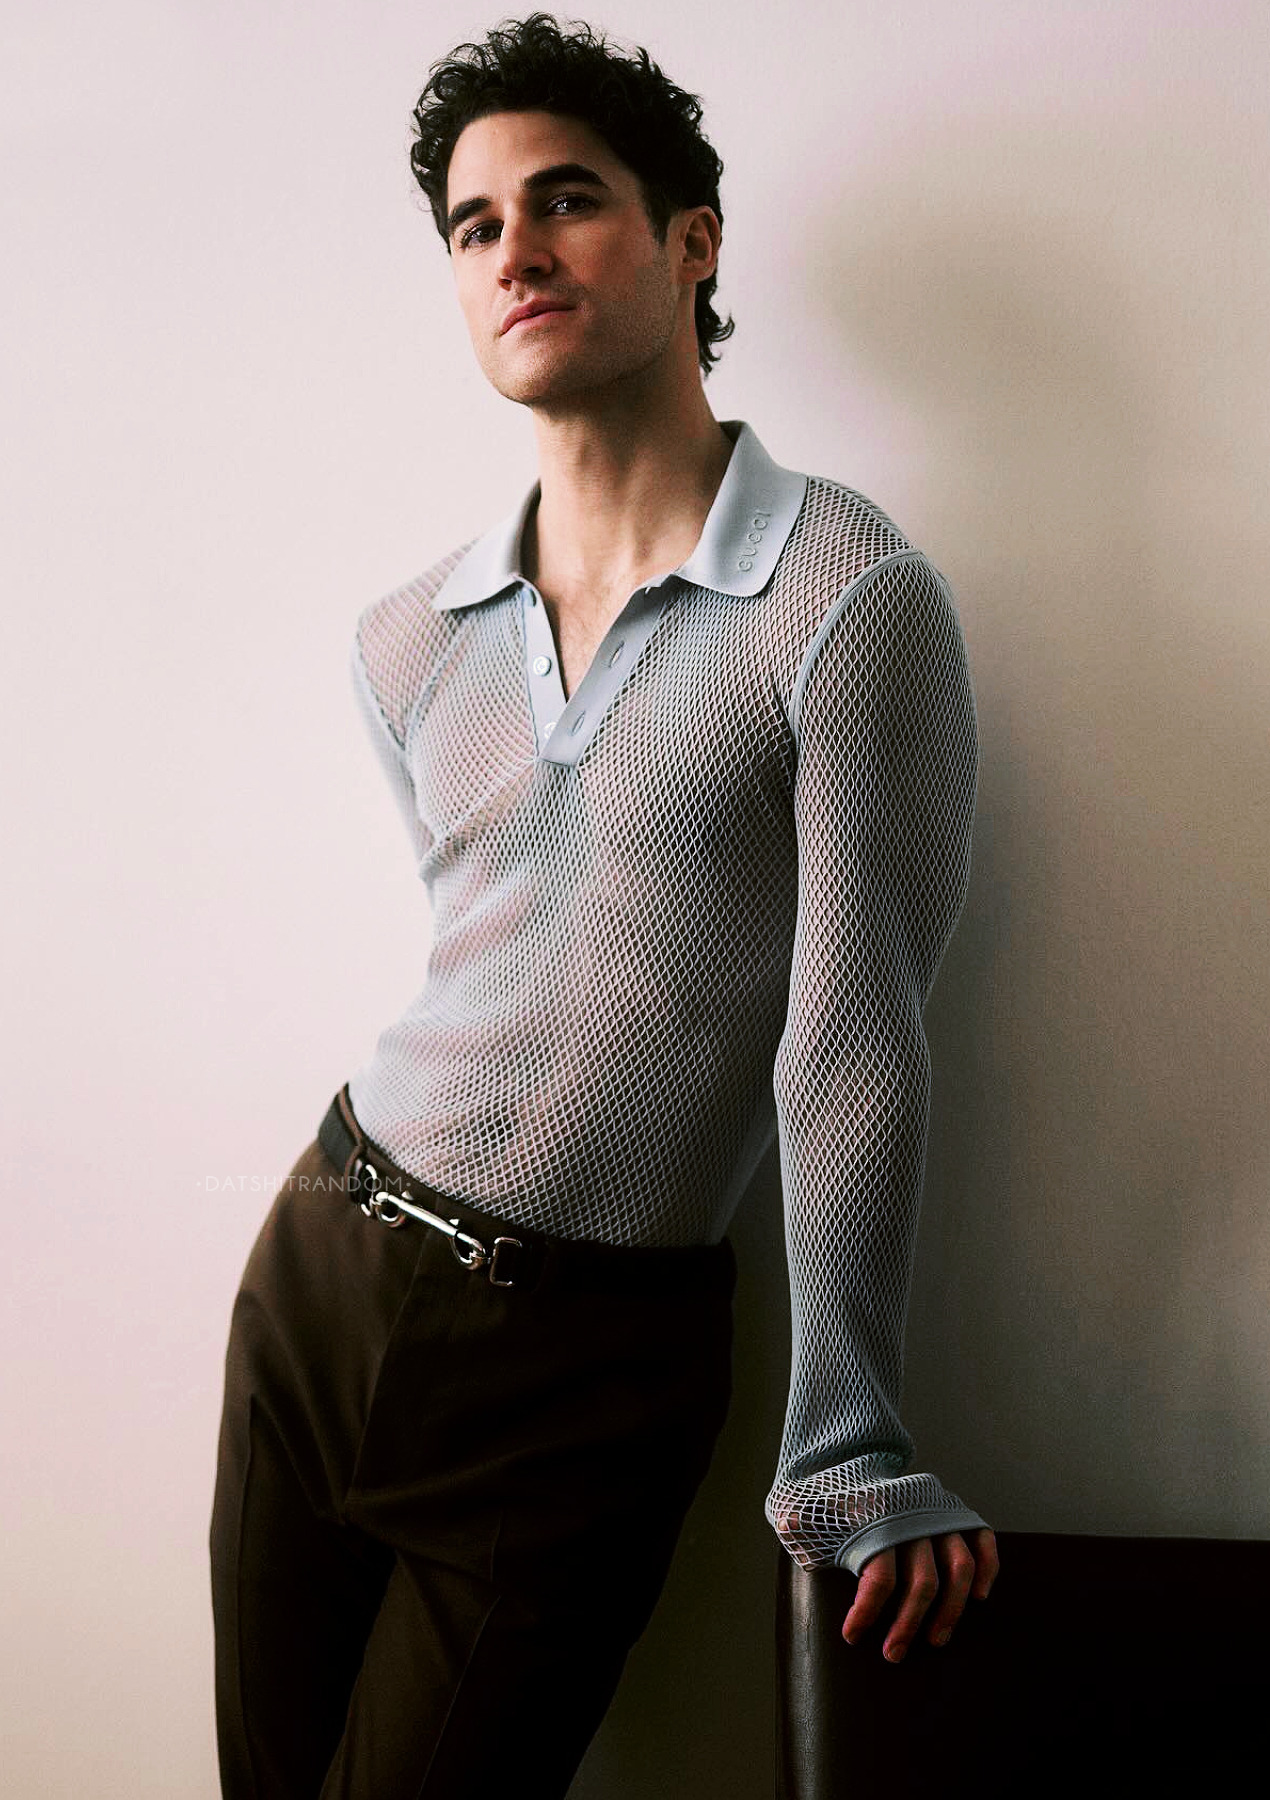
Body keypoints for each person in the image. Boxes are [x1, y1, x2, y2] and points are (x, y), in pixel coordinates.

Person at [209, 13, 998, 1797]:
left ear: (689, 239)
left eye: (565, 200)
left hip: (582, 1363)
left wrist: (847, 1443)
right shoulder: (404, 639)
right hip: (325, 1270)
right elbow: (496, 954)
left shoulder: (844, 599)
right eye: (475, 226)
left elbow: (851, 1044)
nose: (517, 252)